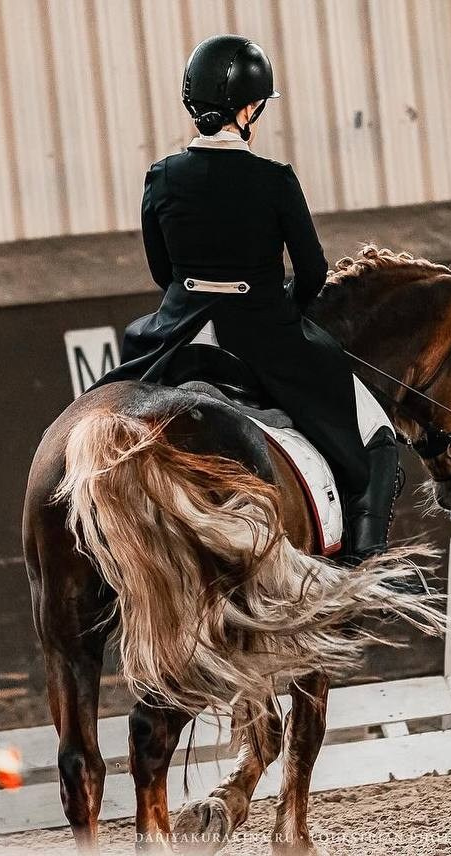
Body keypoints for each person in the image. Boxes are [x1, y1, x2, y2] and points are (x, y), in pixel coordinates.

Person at [91, 34, 398, 564]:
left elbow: (162, 272)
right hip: (261, 333)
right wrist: (285, 313)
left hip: (177, 332)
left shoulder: (161, 177)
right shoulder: (275, 180)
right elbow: (312, 272)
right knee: (374, 433)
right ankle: (361, 566)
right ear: (250, 107)